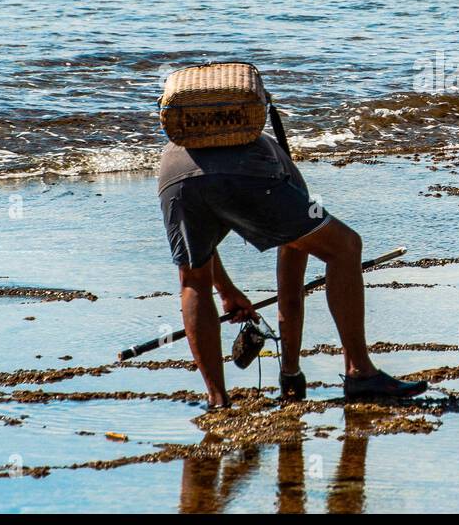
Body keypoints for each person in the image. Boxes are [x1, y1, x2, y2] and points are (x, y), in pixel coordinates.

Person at [157, 133, 426, 409]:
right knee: (345, 247)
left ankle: (217, 399)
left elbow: (201, 255)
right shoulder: (284, 176)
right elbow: (291, 296)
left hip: (173, 172)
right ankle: (360, 371)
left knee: (193, 280)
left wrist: (227, 291)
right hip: (245, 172)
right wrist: (290, 373)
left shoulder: (187, 137)